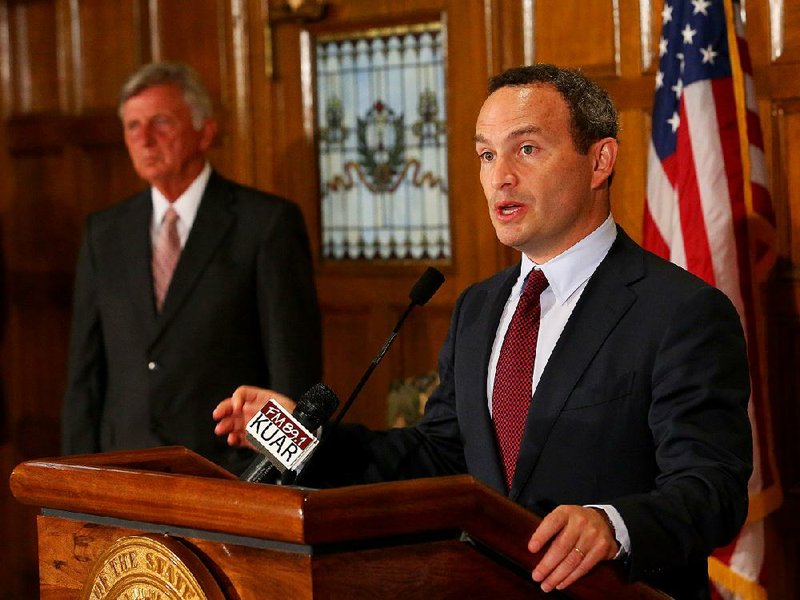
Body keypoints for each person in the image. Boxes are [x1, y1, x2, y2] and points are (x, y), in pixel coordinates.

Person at [212, 64, 752, 598]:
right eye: (487, 155)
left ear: (599, 161)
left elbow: (712, 489)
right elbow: (440, 455)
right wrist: (296, 440)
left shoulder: (680, 312)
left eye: (527, 149)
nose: (500, 177)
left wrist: (614, 525)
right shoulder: (479, 306)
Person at [62, 62, 322, 475]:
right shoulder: (104, 232)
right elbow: (85, 375)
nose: (144, 139)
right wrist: (76, 484)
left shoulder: (266, 224)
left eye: (160, 122)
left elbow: (292, 371)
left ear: (205, 132)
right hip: (122, 470)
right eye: (132, 126)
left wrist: (283, 478)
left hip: (229, 471)